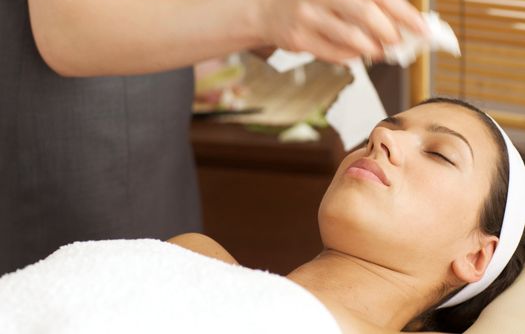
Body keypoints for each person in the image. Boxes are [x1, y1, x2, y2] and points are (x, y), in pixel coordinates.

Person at [0, 0, 428, 274]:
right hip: (73, 124)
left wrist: (285, 20)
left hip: (151, 116)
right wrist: (263, 15)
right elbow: (66, 25)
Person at [1, 98, 523, 334]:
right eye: (382, 128)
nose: (383, 137)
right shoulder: (193, 254)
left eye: (439, 153)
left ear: (478, 255)